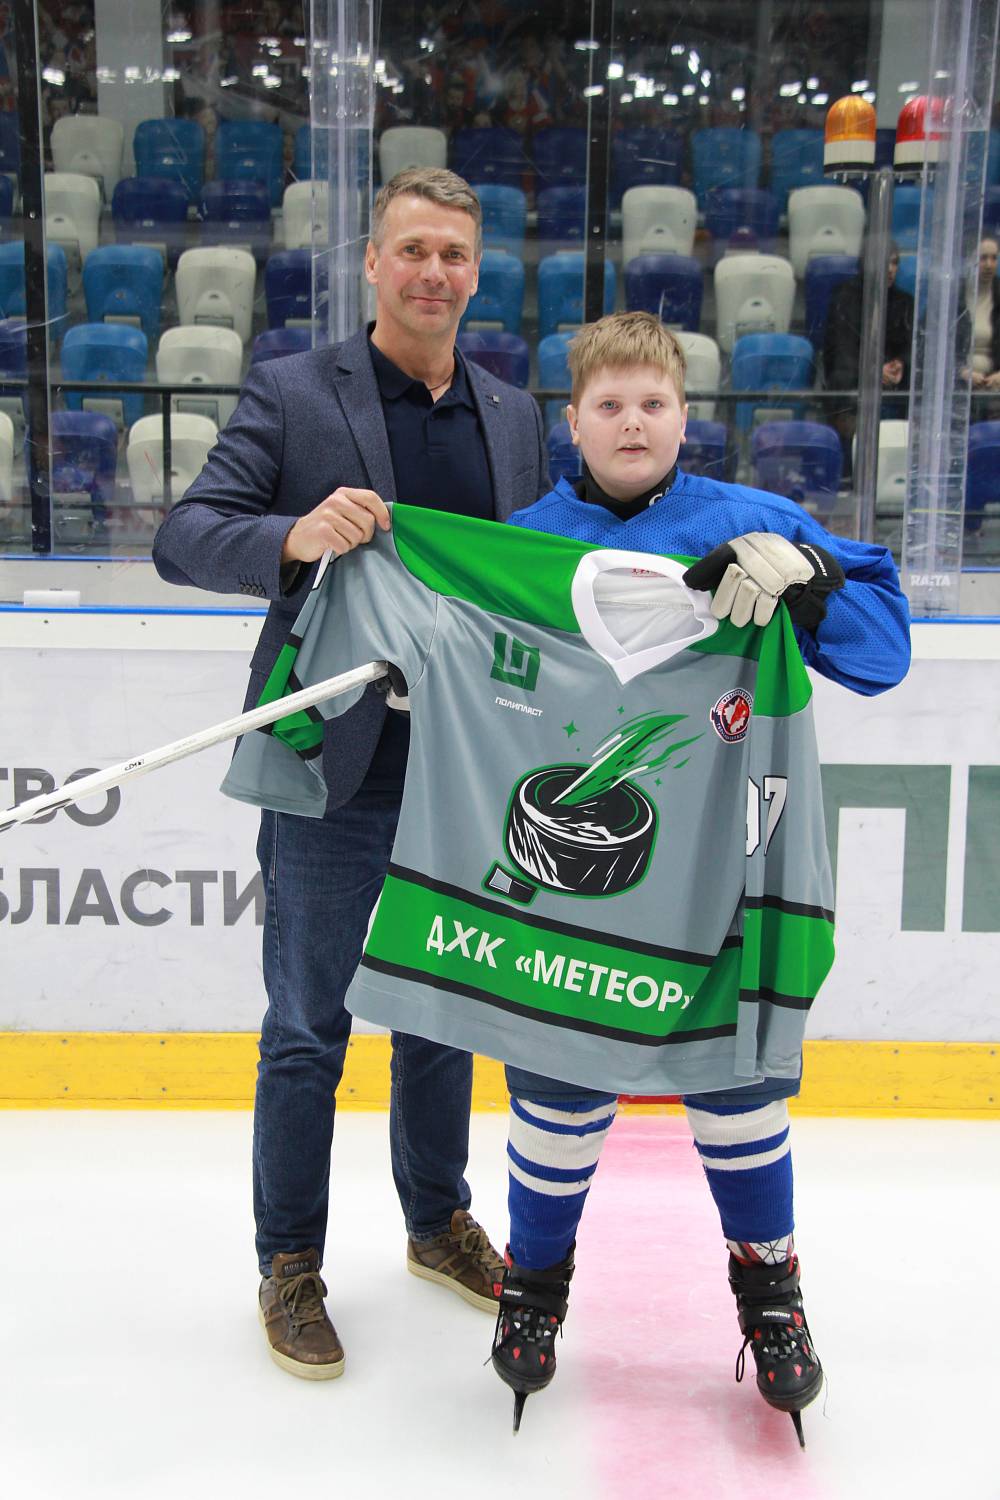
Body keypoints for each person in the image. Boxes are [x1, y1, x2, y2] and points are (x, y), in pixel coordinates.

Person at [152, 167, 548, 1381]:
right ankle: (289, 1263)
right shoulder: (292, 392)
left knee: (440, 1016)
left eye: (454, 255)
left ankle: (435, 1222)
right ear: (372, 264)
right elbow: (183, 536)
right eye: (412, 249)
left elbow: (553, 576)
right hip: (334, 764)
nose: (434, 272)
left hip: (467, 769)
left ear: (476, 275)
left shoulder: (513, 415)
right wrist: (288, 535)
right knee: (307, 1028)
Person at [489, 311, 910, 1438]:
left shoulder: (750, 522)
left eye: (653, 403)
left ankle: (771, 1297)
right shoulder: (524, 542)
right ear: (571, 420)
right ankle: (534, 1285)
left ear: (686, 416)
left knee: (736, 1087)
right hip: (578, 872)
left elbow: (882, 654)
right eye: (609, 405)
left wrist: (811, 581)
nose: (632, 422)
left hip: (724, 866)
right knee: (558, 1089)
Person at [822, 245, 914, 476]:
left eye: (895, 263)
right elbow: (841, 354)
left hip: (892, 390)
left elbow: (910, 348)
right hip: (852, 387)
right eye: (885, 263)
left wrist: (900, 364)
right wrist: (873, 372)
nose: (890, 269)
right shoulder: (844, 298)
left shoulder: (905, 302)